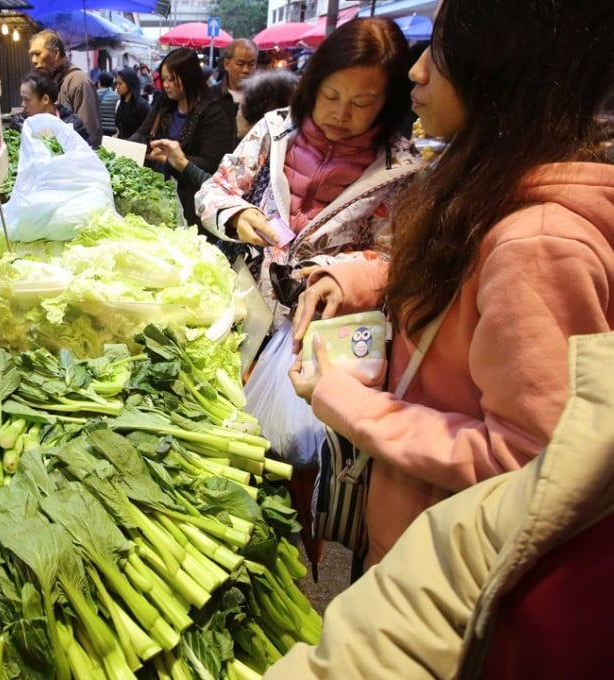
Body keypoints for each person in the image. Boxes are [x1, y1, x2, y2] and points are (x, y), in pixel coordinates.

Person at [287, 0, 614, 571]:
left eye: (439, 50)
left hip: (443, 556)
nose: (415, 71)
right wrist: (356, 275)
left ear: (504, 67)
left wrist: (345, 400)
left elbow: (528, 463)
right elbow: (462, 272)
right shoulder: (488, 182)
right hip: (414, 526)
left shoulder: (538, 244)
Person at [194, 19, 419, 563]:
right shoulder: (273, 131)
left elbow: (399, 258)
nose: (342, 112)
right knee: (223, 444)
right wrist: (237, 214)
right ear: (312, 84)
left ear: (388, 103)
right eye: (331, 95)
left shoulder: (401, 168)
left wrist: (344, 271)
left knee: (301, 467)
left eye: (363, 102)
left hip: (323, 342)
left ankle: (288, 553)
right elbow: (212, 190)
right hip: (245, 318)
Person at [268, 331, 614, 679]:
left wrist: (349, 404)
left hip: (419, 507)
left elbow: (517, 458)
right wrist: (358, 282)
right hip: (406, 518)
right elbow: (453, 567)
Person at [148, 69, 300, 226]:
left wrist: (182, 163)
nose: (236, 115)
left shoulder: (258, 161)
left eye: (240, 107)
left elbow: (223, 193)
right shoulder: (289, 156)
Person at [130, 47, 236, 228]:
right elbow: (142, 132)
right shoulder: (165, 103)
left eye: (172, 79)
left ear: (189, 77)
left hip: (195, 202)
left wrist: (172, 159)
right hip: (164, 194)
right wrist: (120, 147)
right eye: (163, 79)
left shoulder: (213, 112)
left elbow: (212, 164)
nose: (166, 85)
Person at [29, 30, 101, 147]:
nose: (33, 60)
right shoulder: (52, 83)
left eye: (37, 54)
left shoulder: (78, 82)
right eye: (31, 55)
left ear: (56, 53)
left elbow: (88, 136)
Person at [9, 69, 90, 142]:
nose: (22, 104)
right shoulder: (19, 124)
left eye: (27, 100)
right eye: (22, 99)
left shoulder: (73, 125)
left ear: (45, 99)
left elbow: (88, 153)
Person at [213, 39, 259, 135]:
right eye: (240, 64)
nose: (246, 70)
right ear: (226, 64)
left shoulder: (263, 97)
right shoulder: (211, 95)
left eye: (251, 64)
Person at [114, 67, 150, 140]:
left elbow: (148, 130)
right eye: (116, 83)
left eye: (120, 84)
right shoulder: (122, 103)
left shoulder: (142, 105)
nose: (117, 87)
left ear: (129, 83)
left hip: (137, 147)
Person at [96, 71, 119, 137]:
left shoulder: (94, 94)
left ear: (99, 82)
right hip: (113, 130)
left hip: (99, 129)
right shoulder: (117, 96)